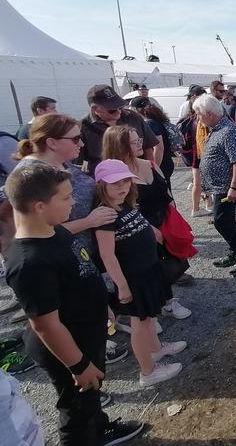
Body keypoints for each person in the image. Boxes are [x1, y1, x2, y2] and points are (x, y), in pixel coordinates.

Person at [4, 162, 144, 445]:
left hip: (85, 332)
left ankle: (100, 428)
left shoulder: (55, 231)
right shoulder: (30, 261)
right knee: (77, 405)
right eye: (66, 197)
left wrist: (102, 303)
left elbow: (82, 269)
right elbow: (45, 325)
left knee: (91, 396)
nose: (75, 201)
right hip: (67, 347)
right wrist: (78, 365)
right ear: (39, 205)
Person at [12, 114, 127, 366]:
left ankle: (98, 343)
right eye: (76, 138)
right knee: (70, 319)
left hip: (84, 253)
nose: (82, 144)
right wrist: (89, 222)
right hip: (64, 261)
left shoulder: (63, 166)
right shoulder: (33, 176)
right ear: (52, 142)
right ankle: (81, 367)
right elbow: (35, 232)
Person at [93, 160, 185, 387]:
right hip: (134, 278)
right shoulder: (105, 215)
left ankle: (156, 349)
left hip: (149, 270)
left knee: (150, 316)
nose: (123, 187)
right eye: (115, 183)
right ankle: (148, 371)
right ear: (101, 185)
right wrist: (122, 285)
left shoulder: (124, 205)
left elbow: (141, 225)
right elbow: (107, 255)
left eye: (125, 181)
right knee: (140, 324)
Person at [102, 125, 193, 309]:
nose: (139, 145)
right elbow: (124, 209)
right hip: (138, 228)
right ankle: (148, 309)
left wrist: (175, 222)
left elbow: (167, 195)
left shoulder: (150, 164)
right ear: (119, 146)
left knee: (167, 264)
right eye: (133, 142)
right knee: (146, 270)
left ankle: (167, 300)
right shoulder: (115, 177)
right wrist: (151, 231)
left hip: (164, 222)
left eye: (139, 140)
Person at [192, 94, 236, 276]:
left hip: (226, 187)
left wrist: (235, 187)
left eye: (199, 114)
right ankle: (234, 251)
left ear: (209, 114)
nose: (198, 118)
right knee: (226, 221)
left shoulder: (228, 131)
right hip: (218, 186)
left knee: (221, 221)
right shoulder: (216, 129)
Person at [79, 85, 158, 174]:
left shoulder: (133, 117)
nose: (119, 111)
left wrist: (151, 172)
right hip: (107, 181)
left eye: (120, 106)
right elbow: (78, 161)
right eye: (112, 109)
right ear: (95, 109)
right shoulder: (84, 127)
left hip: (138, 175)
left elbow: (148, 148)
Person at [129, 97, 175, 185]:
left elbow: (159, 147)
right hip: (167, 160)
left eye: (131, 108)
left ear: (137, 109)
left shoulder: (150, 123)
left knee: (163, 193)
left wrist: (154, 167)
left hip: (161, 163)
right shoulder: (156, 119)